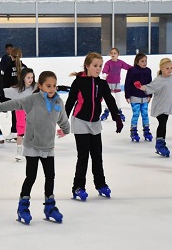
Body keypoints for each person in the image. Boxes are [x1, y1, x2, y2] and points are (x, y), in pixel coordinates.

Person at [0, 71, 70, 225]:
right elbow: (16, 103)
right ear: (40, 86)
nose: (52, 89)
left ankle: (50, 206)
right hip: (32, 145)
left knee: (50, 176)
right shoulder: (33, 100)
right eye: (48, 86)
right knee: (31, 176)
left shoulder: (58, 102)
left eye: (54, 86)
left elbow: (63, 118)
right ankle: (23, 207)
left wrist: (65, 130)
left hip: (48, 146)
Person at [65, 52, 124, 202]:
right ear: (87, 66)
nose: (98, 69)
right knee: (83, 156)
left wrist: (116, 117)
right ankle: (78, 187)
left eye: (100, 66)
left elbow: (110, 100)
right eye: (95, 66)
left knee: (97, 156)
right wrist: (62, 121)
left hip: (95, 123)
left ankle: (101, 184)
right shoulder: (78, 82)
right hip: (80, 122)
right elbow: (70, 102)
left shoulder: (102, 84)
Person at [2, 67, 36, 161]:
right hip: (20, 111)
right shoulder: (16, 90)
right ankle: (19, 150)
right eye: (28, 77)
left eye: (32, 77)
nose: (30, 80)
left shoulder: (36, 87)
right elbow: (3, 91)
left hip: (32, 111)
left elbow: (47, 89)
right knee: (20, 130)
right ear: (23, 78)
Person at [124, 52, 152, 142]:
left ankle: (147, 131)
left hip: (144, 97)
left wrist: (149, 94)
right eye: (142, 61)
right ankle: (133, 131)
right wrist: (127, 95)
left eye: (145, 61)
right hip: (134, 96)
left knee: (145, 114)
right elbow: (127, 83)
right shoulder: (132, 71)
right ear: (137, 62)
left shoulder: (148, 71)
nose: (144, 63)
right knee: (136, 114)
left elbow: (150, 84)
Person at [100, 47, 132, 121]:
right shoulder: (108, 63)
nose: (113, 54)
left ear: (118, 54)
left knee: (118, 99)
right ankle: (106, 112)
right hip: (108, 84)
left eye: (115, 53)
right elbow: (105, 69)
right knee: (109, 99)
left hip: (117, 83)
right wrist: (104, 73)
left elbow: (128, 67)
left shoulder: (120, 62)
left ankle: (119, 112)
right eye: (111, 53)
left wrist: (135, 68)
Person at [2, 47, 27, 142]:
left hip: (14, 94)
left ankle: (14, 131)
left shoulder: (8, 68)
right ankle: (21, 131)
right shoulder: (25, 67)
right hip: (25, 93)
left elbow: (5, 83)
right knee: (23, 113)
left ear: (11, 56)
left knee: (15, 112)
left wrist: (4, 98)